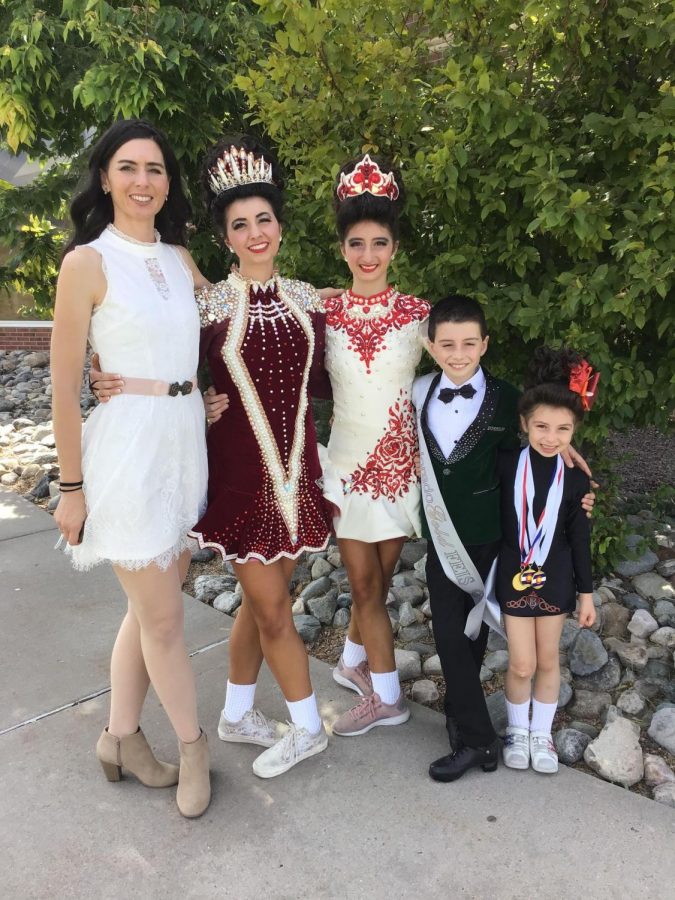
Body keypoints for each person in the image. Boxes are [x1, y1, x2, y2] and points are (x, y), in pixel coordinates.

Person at [51, 118, 211, 818]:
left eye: (154, 168)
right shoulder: (87, 262)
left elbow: (236, 310)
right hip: (127, 450)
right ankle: (194, 746)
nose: (142, 180)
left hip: (183, 443)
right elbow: (63, 385)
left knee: (148, 608)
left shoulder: (180, 259)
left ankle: (119, 738)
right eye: (128, 167)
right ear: (105, 177)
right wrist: (71, 486)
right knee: (166, 620)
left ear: (166, 181)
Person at [189, 135, 334, 778]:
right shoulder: (205, 307)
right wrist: (194, 402)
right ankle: (308, 727)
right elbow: (161, 371)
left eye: (263, 220)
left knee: (259, 603)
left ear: (279, 224)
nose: (255, 233)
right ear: (225, 238)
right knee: (274, 610)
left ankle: (237, 713)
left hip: (299, 475)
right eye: (239, 224)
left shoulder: (308, 299)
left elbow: (339, 379)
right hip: (242, 483)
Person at [412, 295, 594, 783]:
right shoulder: (416, 393)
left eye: (469, 343)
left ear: (485, 344)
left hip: (499, 541)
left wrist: (568, 454)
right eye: (447, 344)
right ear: (430, 346)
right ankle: (479, 740)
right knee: (450, 633)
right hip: (444, 537)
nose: (458, 353)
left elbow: (543, 437)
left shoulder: (510, 396)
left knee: (470, 636)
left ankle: (463, 717)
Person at [319, 155, 430, 735]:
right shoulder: (322, 309)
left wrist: (550, 431)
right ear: (343, 248)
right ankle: (388, 698)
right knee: (363, 586)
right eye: (357, 242)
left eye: (379, 242)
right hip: (344, 466)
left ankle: (351, 661)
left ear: (393, 247)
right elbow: (256, 344)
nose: (368, 255)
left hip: (398, 467)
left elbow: (466, 372)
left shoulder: (418, 315)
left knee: (378, 586)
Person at [497, 347, 598, 774]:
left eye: (562, 429)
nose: (550, 437)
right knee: (521, 662)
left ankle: (543, 734)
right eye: (540, 426)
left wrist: (587, 594)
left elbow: (580, 538)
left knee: (548, 659)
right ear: (524, 424)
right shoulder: (503, 466)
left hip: (555, 579)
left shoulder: (576, 479)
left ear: (574, 430)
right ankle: (517, 731)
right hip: (513, 574)